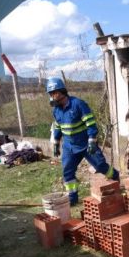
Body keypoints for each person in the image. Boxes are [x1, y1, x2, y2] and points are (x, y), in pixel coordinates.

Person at [47, 77, 119, 206]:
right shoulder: (56, 110)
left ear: (62, 91)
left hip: (86, 144)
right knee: (67, 171)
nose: (52, 96)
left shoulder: (78, 104)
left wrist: (92, 139)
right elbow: (57, 127)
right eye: (50, 94)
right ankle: (72, 198)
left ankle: (115, 177)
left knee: (101, 166)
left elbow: (91, 123)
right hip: (69, 146)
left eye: (54, 93)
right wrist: (56, 142)